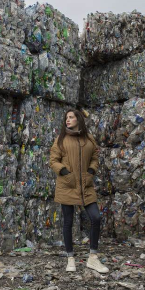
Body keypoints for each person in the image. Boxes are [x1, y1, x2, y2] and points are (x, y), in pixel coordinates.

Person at [49, 109, 109, 273]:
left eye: (71, 117)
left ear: (78, 119)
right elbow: (53, 160)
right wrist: (65, 173)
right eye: (66, 118)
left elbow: (95, 158)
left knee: (95, 217)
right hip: (67, 185)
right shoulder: (61, 140)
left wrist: (91, 172)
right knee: (68, 222)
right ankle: (70, 259)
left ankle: (93, 258)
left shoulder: (89, 139)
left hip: (86, 185)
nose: (67, 120)